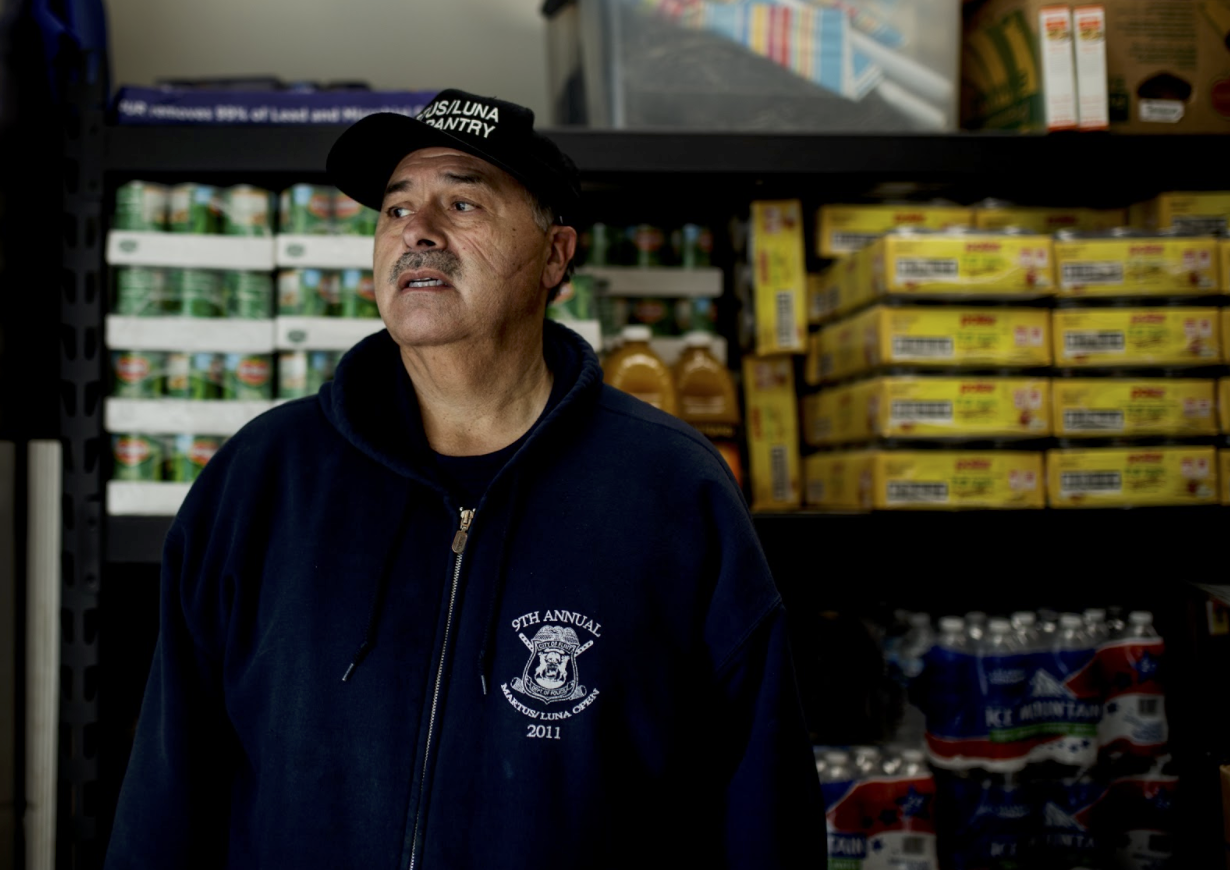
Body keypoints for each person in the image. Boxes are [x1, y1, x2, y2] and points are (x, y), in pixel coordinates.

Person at [105, 89, 824, 869]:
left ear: (555, 256)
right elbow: (168, 792)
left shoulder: (673, 491)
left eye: (462, 202)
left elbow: (764, 808)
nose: (416, 230)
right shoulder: (262, 478)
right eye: (395, 208)